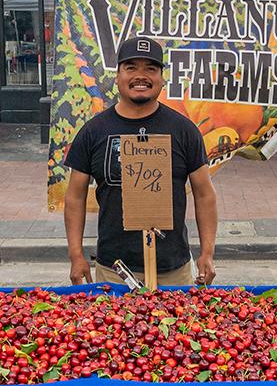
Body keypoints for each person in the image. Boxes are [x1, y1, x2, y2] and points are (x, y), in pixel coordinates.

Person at [63, 37, 218, 286]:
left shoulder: (184, 130)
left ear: (162, 77)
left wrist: (207, 253)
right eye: (131, 67)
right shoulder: (94, 132)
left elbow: (204, 194)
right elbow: (75, 197)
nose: (141, 75)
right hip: (114, 271)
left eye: (150, 68)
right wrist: (75, 254)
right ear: (118, 76)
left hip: (173, 271)